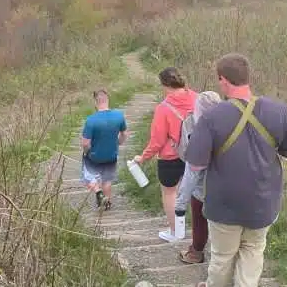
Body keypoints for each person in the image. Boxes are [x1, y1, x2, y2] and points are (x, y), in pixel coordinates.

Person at [185, 53, 287, 287]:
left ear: (222, 80)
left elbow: (196, 162)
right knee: (253, 253)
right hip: (263, 201)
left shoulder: (213, 116)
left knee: (223, 254)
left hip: (224, 202)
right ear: (248, 77)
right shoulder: (278, 111)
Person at [133, 67, 197, 242]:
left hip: (171, 156)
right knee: (196, 192)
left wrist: (144, 157)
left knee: (170, 193)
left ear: (165, 85)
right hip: (196, 153)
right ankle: (199, 231)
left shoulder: (164, 108)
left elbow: (157, 140)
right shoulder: (197, 99)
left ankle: (176, 232)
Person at [174, 90, 221, 264]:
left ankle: (196, 252)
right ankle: (225, 256)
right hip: (227, 183)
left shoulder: (191, 124)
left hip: (202, 186)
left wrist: (180, 203)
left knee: (199, 219)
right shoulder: (230, 121)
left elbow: (188, 160)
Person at [80, 89, 128, 210]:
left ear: (95, 102)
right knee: (107, 180)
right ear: (107, 100)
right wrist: (118, 143)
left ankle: (98, 192)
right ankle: (107, 203)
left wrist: (87, 152)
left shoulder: (91, 120)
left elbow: (85, 143)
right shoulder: (119, 116)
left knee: (88, 177)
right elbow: (124, 135)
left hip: (94, 156)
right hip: (111, 155)